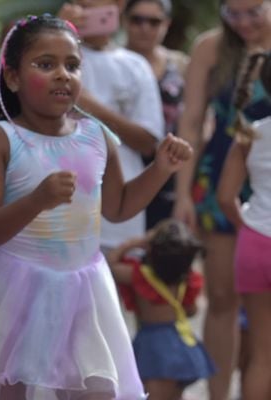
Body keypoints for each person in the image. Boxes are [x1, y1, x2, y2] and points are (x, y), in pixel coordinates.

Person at [0, 14, 192, 400]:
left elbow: (120, 207)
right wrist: (37, 200)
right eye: (46, 64)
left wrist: (160, 169)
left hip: (83, 289)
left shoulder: (96, 136)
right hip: (13, 289)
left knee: (94, 390)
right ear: (12, 78)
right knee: (9, 388)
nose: (63, 74)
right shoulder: (1, 139)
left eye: (72, 65)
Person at [172, 1, 271, 398]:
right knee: (224, 295)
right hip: (220, 176)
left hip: (266, 171)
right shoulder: (210, 47)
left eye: (254, 11)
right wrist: (182, 193)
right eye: (234, 13)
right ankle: (218, 394)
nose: (243, 22)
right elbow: (192, 122)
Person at [58, 0, 165, 253]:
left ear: (119, 6)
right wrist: (58, 30)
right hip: (58, 219)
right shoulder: (53, 57)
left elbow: (148, 141)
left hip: (119, 220)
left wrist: (88, 105)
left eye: (95, 7)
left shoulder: (135, 65)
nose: (88, 13)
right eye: (82, 6)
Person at [108, 219, 215, 399]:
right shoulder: (186, 281)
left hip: (153, 346)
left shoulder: (140, 276)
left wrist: (135, 242)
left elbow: (110, 264)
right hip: (179, 342)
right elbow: (192, 311)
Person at [217, 50, 271, 400]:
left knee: (263, 356)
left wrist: (247, 226)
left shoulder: (250, 134)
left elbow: (225, 197)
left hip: (255, 244)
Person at [123, 0, 189, 229]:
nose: (145, 28)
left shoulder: (181, 65)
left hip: (171, 174)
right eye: (137, 20)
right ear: (124, 20)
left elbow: (195, 122)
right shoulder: (111, 63)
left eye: (154, 21)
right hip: (123, 171)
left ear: (167, 24)